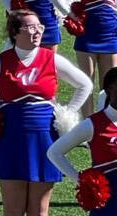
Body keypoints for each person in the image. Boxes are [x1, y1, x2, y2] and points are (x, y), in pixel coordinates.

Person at [0, 9, 92, 216]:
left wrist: (66, 114)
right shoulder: (2, 61)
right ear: (15, 33)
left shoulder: (50, 58)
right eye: (30, 27)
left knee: (39, 209)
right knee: (13, 209)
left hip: (44, 136)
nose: (37, 32)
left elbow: (85, 84)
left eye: (39, 27)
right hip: (11, 136)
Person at [56, 0, 117, 114]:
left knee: (109, 86)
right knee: (86, 85)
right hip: (87, 38)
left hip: (110, 36)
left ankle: (107, 124)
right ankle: (89, 128)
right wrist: (70, 14)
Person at [47, 66, 117, 212]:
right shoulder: (93, 124)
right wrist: (82, 182)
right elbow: (54, 152)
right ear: (110, 89)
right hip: (109, 203)